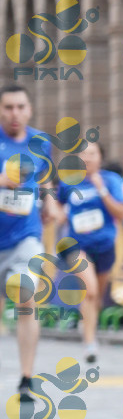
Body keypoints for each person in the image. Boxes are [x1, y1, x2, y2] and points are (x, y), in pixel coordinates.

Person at [0, 83, 56, 401]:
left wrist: (49, 200)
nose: (15, 113)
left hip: (26, 236)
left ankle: (26, 378)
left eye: (20, 107)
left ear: (30, 110)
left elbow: (44, 176)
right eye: (8, 107)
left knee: (26, 295)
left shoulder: (40, 142)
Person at [54, 138, 123, 365]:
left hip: (104, 246)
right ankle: (89, 344)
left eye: (92, 154)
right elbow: (57, 203)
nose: (87, 158)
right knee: (90, 289)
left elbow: (121, 213)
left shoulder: (111, 180)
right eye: (83, 154)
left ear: (100, 158)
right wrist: (59, 215)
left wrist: (101, 189)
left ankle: (87, 324)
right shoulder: (69, 182)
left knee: (96, 298)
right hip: (77, 246)